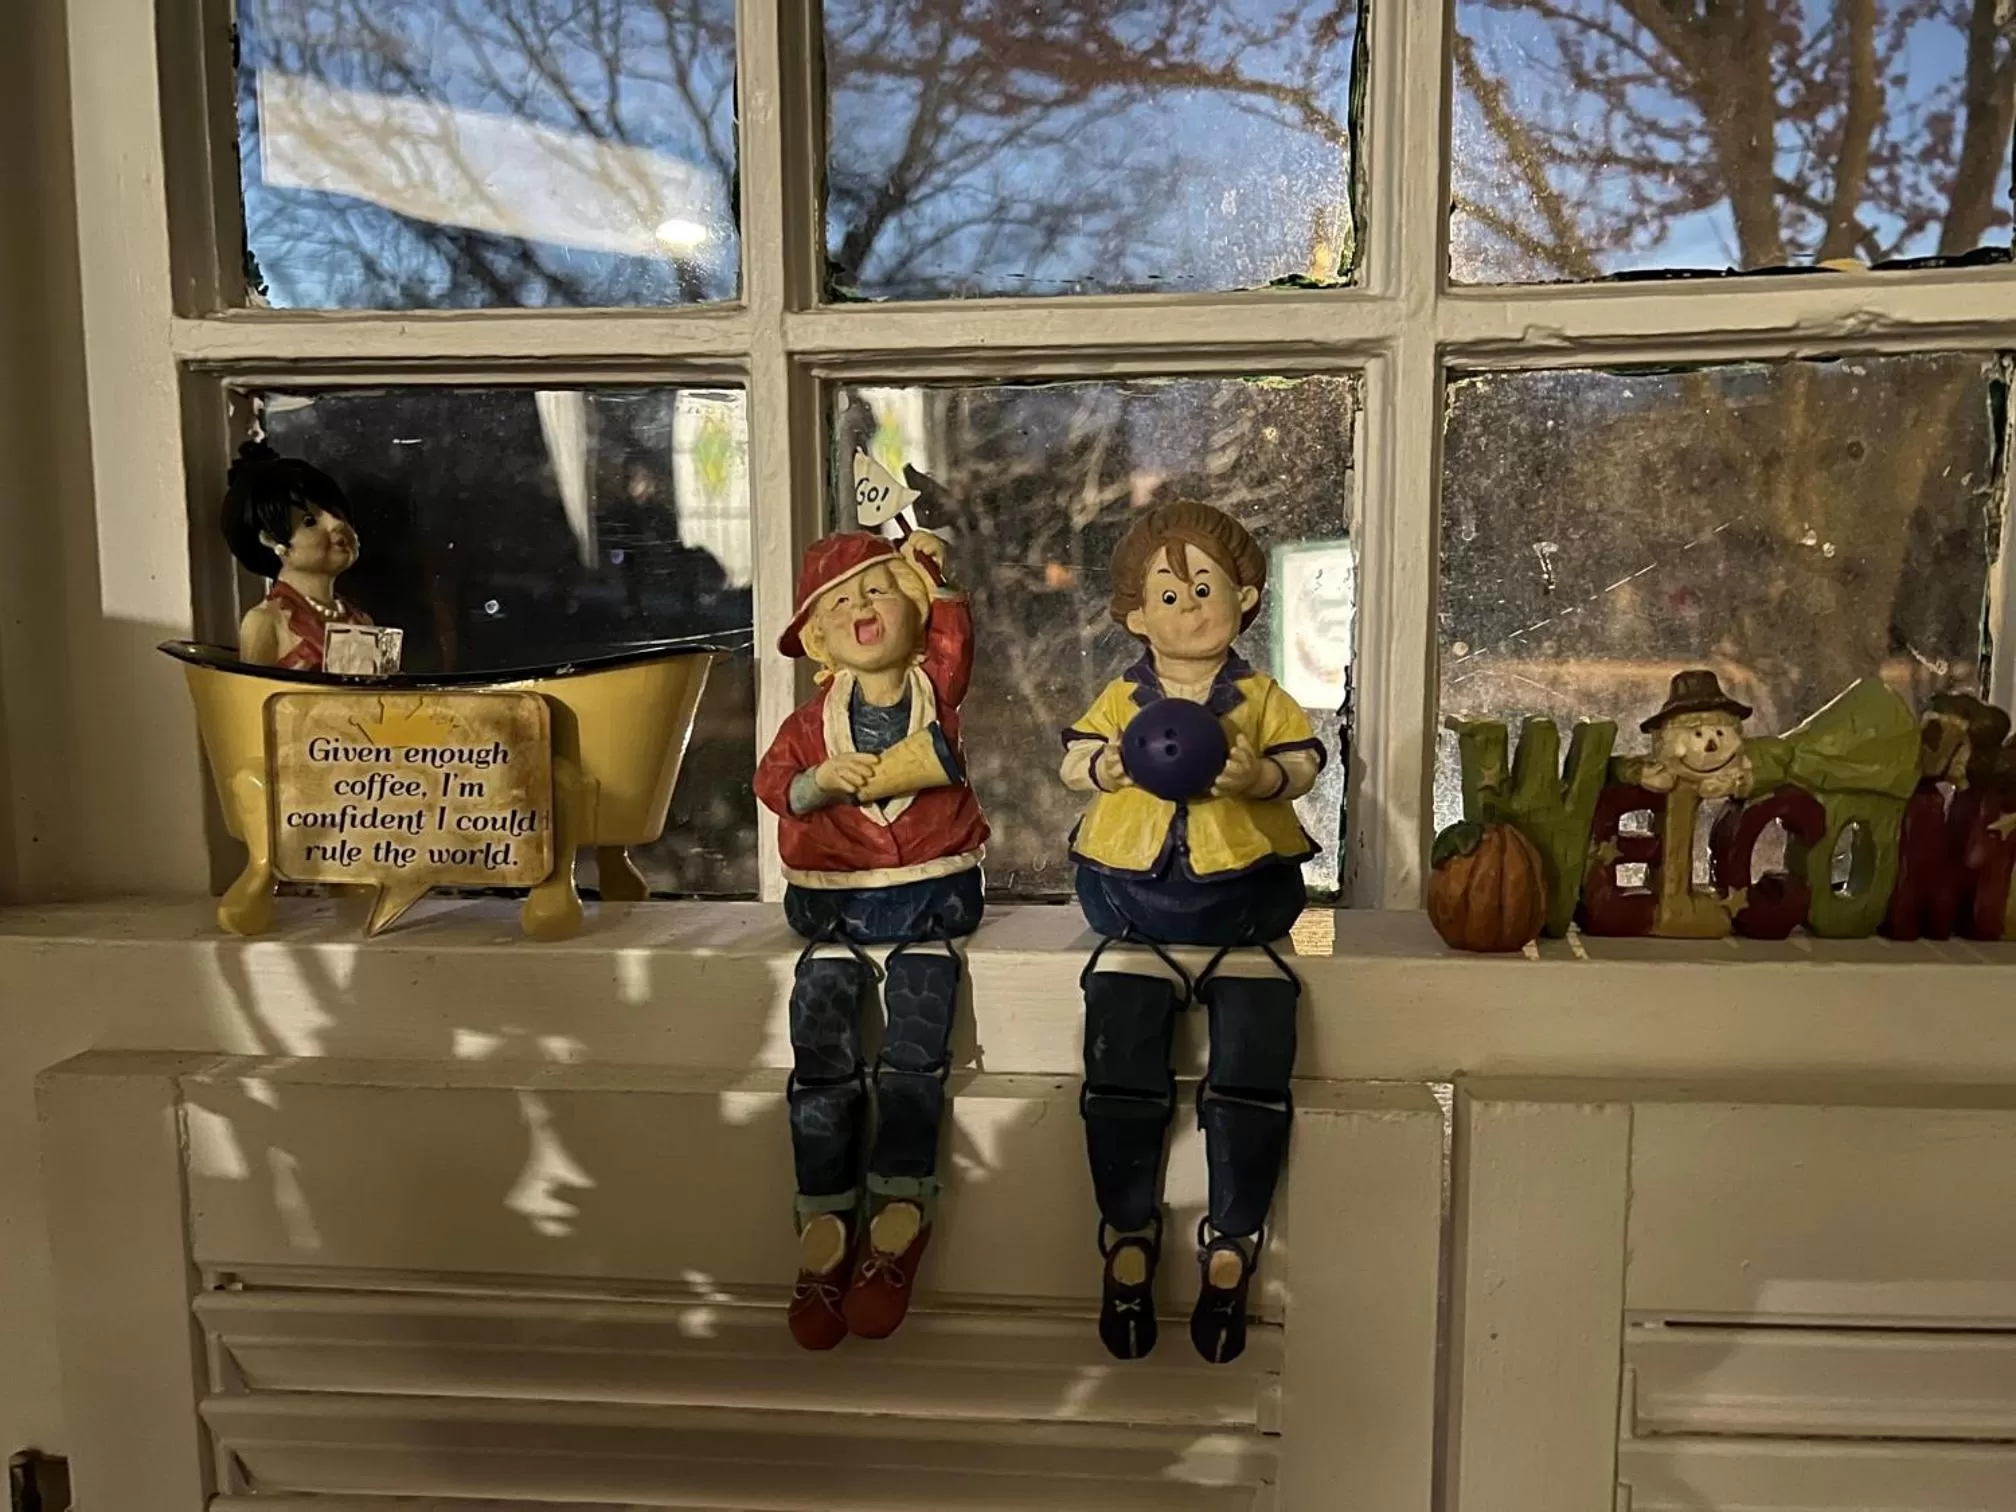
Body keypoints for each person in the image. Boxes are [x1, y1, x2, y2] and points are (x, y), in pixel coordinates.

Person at [1060, 501, 1322, 1365]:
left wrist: (1260, 777)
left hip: (1240, 902)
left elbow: (1306, 761)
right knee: (1121, 1075)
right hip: (1134, 898)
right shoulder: (1122, 696)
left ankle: (1233, 1240)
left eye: (1206, 589)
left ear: (1245, 597)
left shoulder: (1260, 696)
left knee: (1249, 1079)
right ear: (1136, 615)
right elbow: (1072, 759)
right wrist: (1107, 763)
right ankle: (1127, 1234)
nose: (1190, 609)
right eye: (1169, 596)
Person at [754, 528, 989, 1350]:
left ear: (916, 614)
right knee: (820, 1052)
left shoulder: (934, 690)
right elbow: (772, 782)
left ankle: (899, 1207)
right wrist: (816, 782)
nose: (862, 608)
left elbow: (957, 638)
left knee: (916, 1055)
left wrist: (935, 572)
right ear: (818, 637)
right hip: (835, 903)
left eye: (879, 590)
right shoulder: (810, 724)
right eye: (841, 602)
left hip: (930, 893)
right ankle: (824, 1218)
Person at [221, 440, 371, 671]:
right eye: (309, 521)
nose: (337, 524)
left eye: (337, 513)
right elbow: (253, 692)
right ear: (272, 542)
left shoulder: (361, 621)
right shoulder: (265, 622)